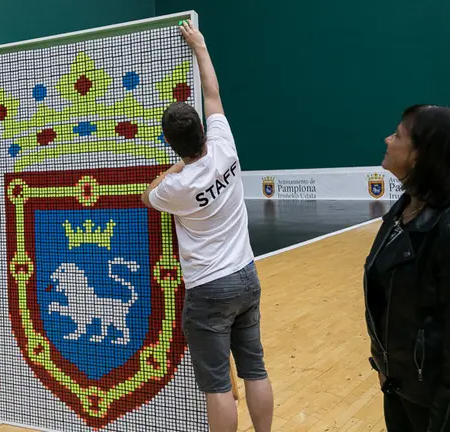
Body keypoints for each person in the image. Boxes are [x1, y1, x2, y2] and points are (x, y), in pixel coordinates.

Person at [141, 20, 274, 432]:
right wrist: (199, 45)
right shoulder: (225, 144)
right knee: (255, 368)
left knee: (218, 386)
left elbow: (148, 194)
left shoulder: (176, 188)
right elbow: (212, 92)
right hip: (246, 276)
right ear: (203, 128)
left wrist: (177, 165)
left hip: (208, 289)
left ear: (171, 143)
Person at [364, 104, 450, 431]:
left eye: (398, 135)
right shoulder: (402, 213)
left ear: (420, 155)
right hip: (403, 394)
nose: (388, 140)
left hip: (448, 414)